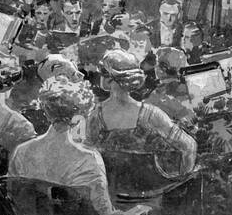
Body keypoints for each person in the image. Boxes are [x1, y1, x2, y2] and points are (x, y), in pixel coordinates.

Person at [8, 76, 135, 215]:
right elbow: (104, 212)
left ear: (46, 110)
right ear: (82, 113)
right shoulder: (88, 158)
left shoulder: (22, 151)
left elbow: (14, 199)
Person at [85, 49, 198, 193]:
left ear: (108, 78)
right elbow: (189, 147)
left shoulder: (95, 116)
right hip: (153, 195)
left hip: (114, 195)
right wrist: (181, 182)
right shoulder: (150, 114)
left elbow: (89, 157)